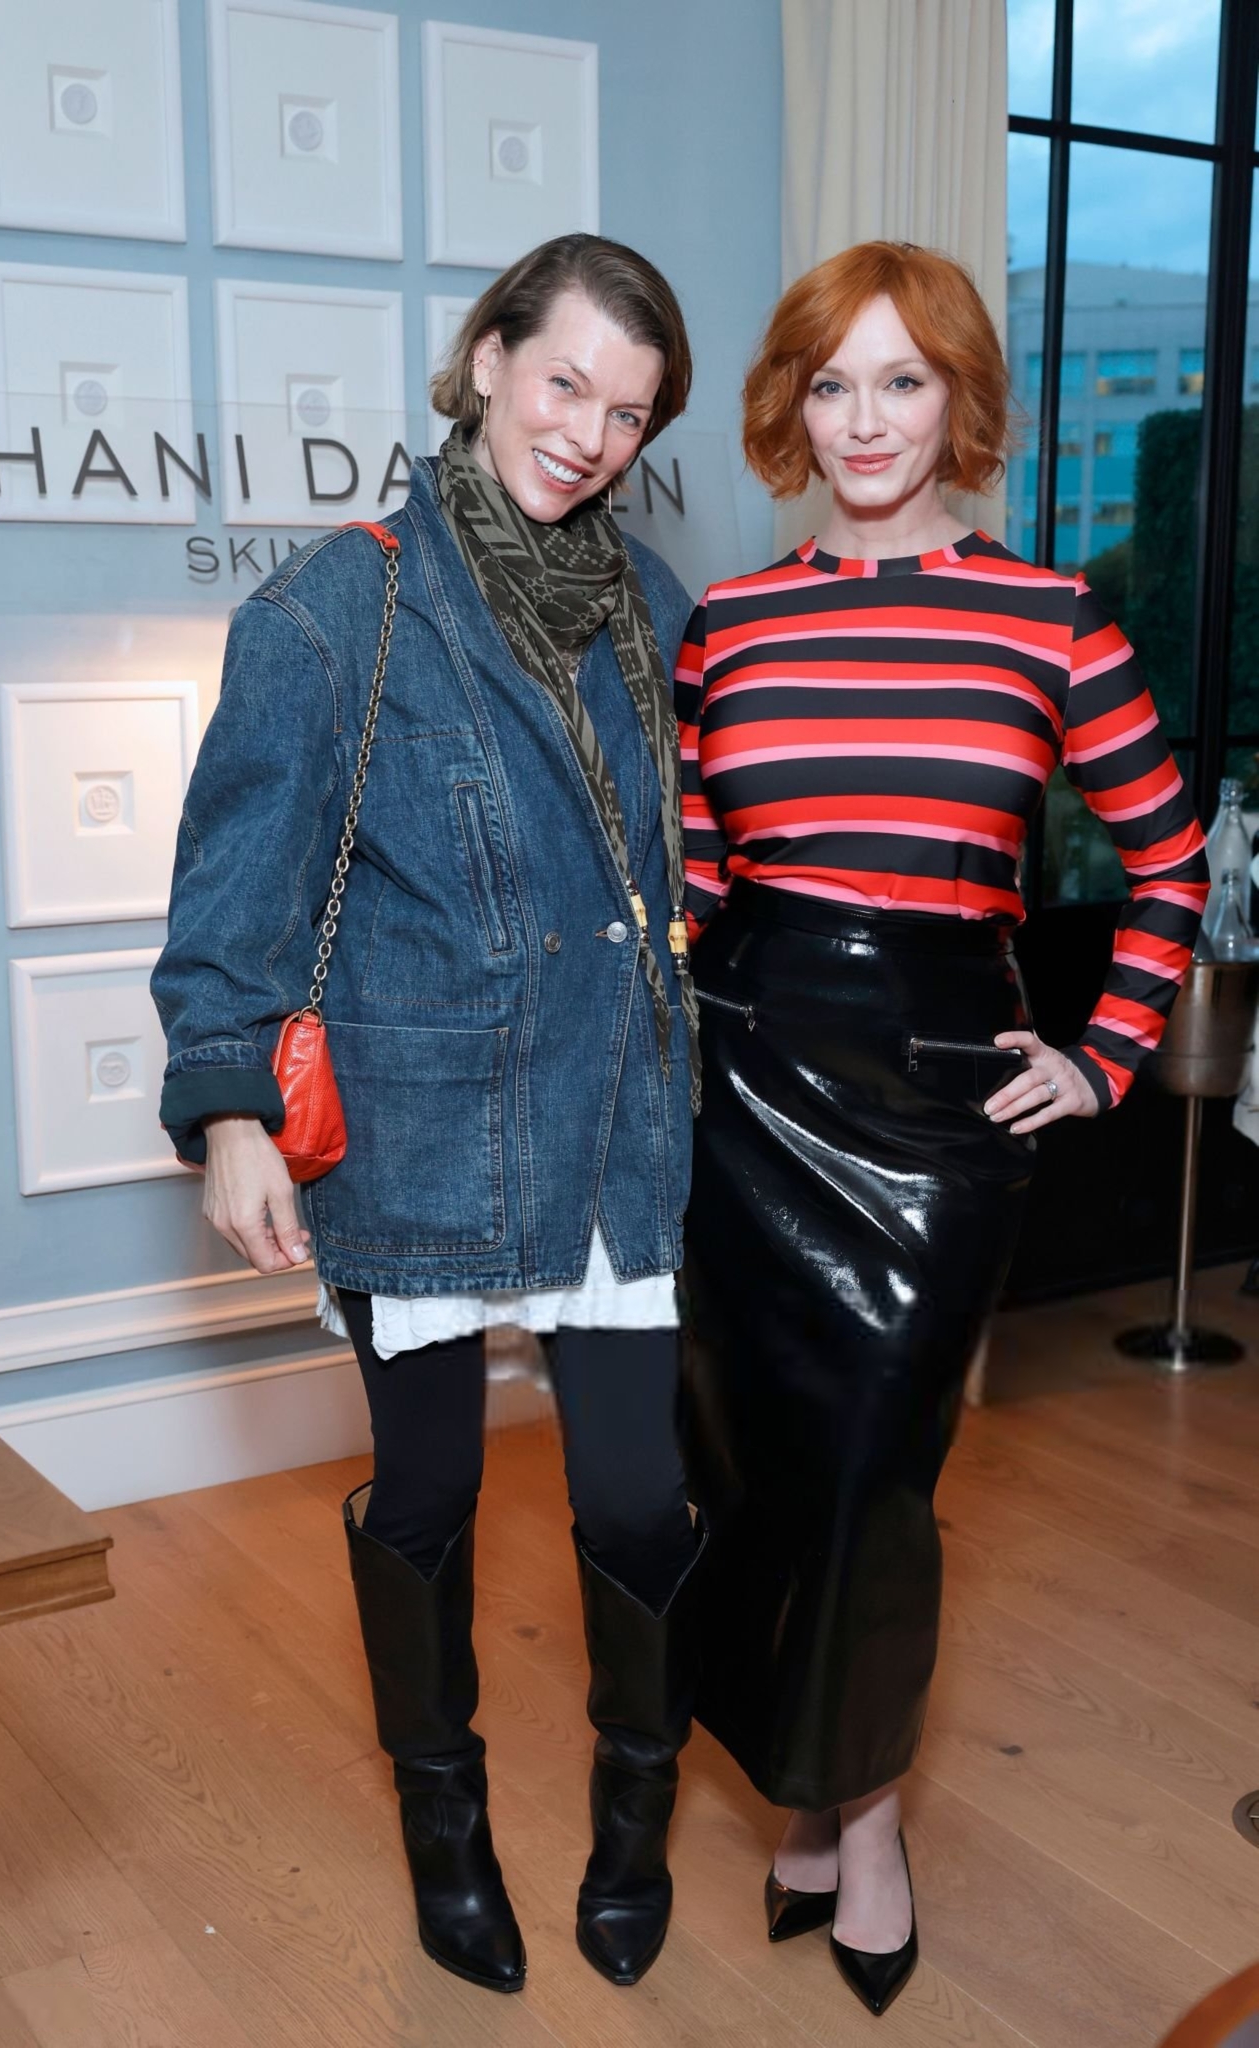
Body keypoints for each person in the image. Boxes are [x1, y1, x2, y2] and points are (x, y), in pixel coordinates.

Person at [152, 234, 706, 1995]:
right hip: (425, 1121)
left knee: (636, 1500)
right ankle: (442, 1815)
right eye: (564, 383)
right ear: (482, 364)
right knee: (430, 1487)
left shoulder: (656, 612)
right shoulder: (337, 608)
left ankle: (636, 1807)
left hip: (616, 1119)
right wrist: (231, 1112)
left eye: (626, 413)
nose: (588, 434)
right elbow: (235, 892)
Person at [674, 241, 1206, 2016]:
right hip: (743, 1077)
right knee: (754, 1467)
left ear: (958, 398)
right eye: (830, 382)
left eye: (900, 380)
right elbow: (695, 880)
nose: (863, 419)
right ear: (791, 405)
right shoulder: (725, 626)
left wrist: (1103, 1054)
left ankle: (863, 1814)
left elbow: (1168, 860)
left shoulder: (1051, 619)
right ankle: (813, 1801)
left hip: (938, 1096)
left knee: (875, 1478)